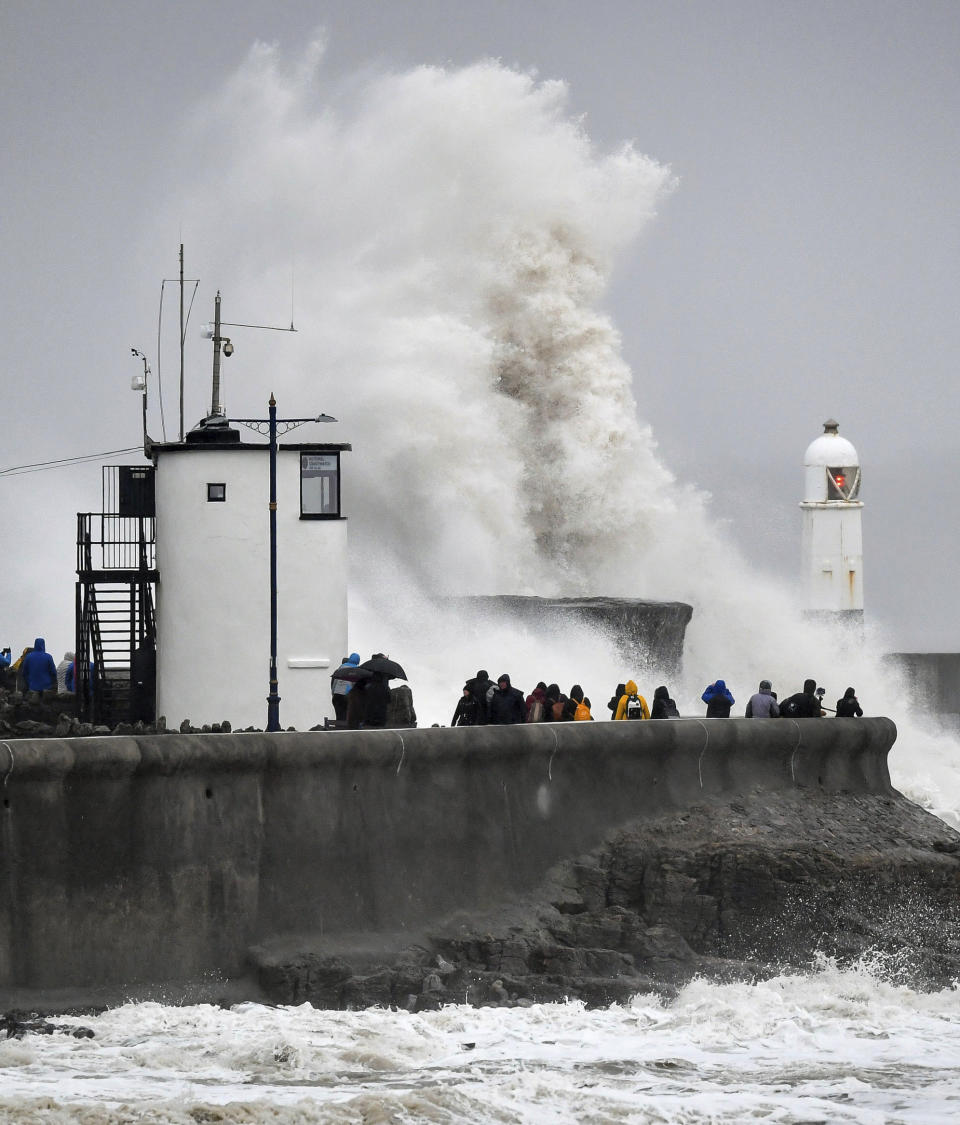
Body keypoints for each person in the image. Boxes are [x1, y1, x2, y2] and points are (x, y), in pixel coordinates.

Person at [331, 653, 361, 724]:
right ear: (358, 661)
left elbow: (333, 684)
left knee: (339, 718)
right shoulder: (356, 670)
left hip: (336, 696)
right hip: (347, 697)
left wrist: (334, 694)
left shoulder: (339, 668)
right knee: (348, 719)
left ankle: (338, 732)